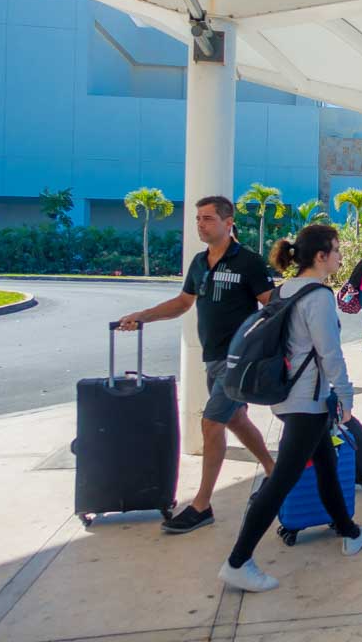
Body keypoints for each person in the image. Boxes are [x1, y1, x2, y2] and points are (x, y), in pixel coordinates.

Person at [218, 224, 362, 592]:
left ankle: (349, 530)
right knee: (281, 481)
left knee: (326, 462)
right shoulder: (319, 297)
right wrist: (347, 397)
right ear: (320, 257)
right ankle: (237, 560)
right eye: (336, 250)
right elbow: (329, 353)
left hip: (289, 397)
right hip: (307, 400)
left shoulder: (285, 289)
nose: (339, 256)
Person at [117, 195, 276, 534]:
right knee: (234, 418)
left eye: (207, 219)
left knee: (211, 423)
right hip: (214, 358)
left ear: (228, 222)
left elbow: (270, 307)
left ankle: (202, 505)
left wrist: (259, 350)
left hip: (239, 361)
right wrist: (142, 316)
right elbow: (183, 303)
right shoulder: (199, 263)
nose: (201, 225)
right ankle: (273, 470)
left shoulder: (249, 262)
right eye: (198, 219)